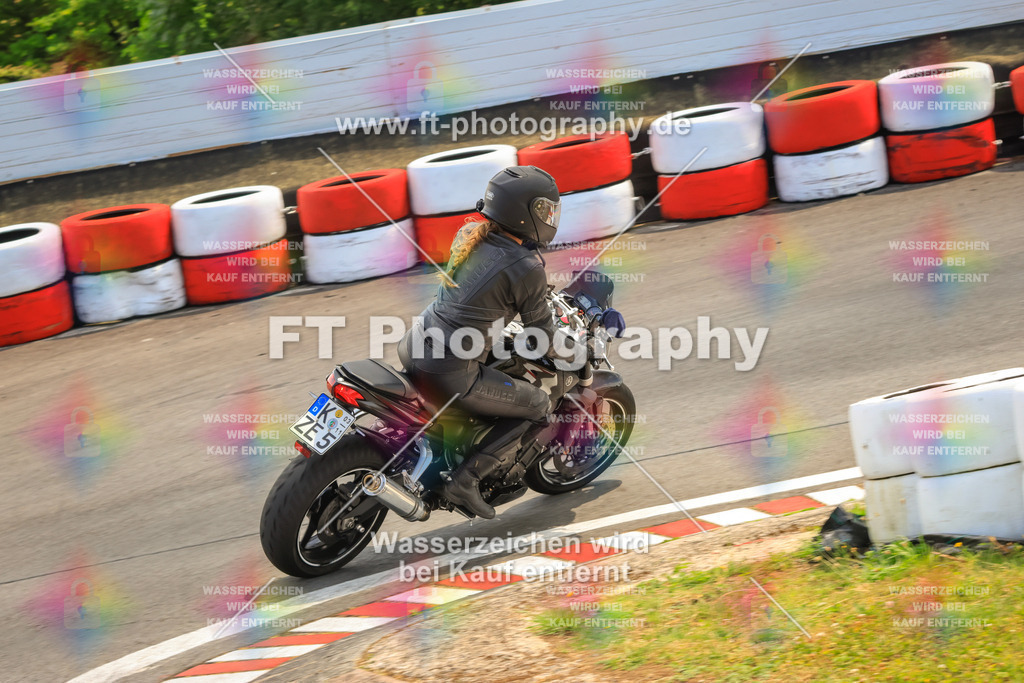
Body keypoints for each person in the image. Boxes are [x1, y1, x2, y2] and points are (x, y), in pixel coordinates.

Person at [398, 165, 567, 519]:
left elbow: (479, 300)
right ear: (526, 214)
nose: (551, 217)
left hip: (415, 345)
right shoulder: (526, 266)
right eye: (546, 210)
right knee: (537, 404)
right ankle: (464, 481)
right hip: (450, 372)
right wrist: (574, 352)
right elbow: (542, 335)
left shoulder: (471, 232)